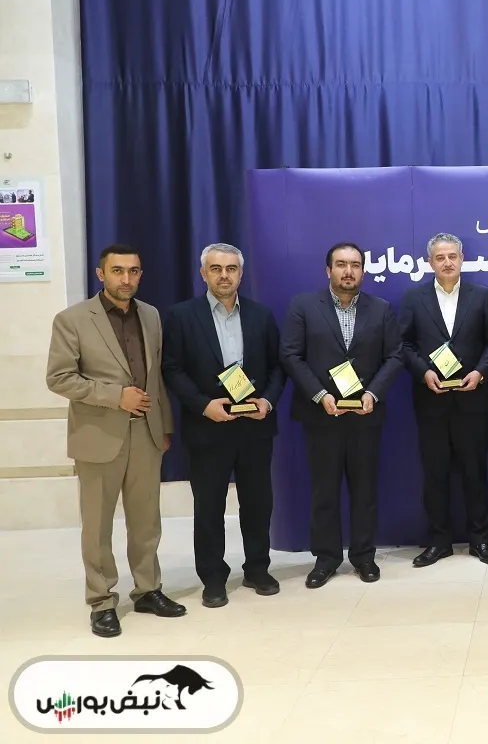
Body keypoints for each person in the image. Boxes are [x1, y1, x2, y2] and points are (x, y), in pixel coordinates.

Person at [46, 243, 185, 637]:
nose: (127, 279)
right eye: (118, 271)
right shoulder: (72, 319)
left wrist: (164, 425)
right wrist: (114, 396)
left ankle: (148, 589)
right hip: (98, 436)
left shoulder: (151, 315)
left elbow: (156, 377)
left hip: (146, 432)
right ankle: (102, 601)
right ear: (101, 274)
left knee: (146, 520)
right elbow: (59, 378)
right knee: (97, 525)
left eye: (134, 271)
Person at [162, 243, 286, 608]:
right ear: (203, 274)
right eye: (216, 269)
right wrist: (203, 405)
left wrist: (267, 401)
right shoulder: (182, 316)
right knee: (209, 507)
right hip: (208, 426)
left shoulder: (261, 315)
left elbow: (278, 367)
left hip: (254, 426)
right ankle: (213, 577)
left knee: (258, 503)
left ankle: (257, 569)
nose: (224, 275)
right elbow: (172, 369)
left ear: (241, 274)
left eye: (231, 269)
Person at [279, 242, 404, 588]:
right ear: (328, 270)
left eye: (355, 265)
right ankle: (326, 559)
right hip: (321, 415)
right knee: (324, 492)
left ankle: (364, 557)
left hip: (365, 415)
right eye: (341, 264)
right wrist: (320, 395)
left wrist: (373, 393)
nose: (348, 271)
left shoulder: (381, 309)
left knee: (365, 491)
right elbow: (290, 355)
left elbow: (394, 356)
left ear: (363, 270)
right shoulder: (304, 306)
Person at [398, 233, 488, 567]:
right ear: (430, 262)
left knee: (475, 473)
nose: (447, 262)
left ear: (462, 259)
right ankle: (439, 541)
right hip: (432, 401)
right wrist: (423, 373)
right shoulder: (413, 298)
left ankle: (480, 540)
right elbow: (404, 345)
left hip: (473, 401)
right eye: (440, 257)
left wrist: (480, 373)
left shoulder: (481, 296)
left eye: (453, 256)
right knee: (435, 475)